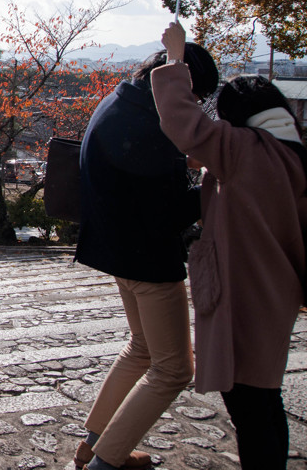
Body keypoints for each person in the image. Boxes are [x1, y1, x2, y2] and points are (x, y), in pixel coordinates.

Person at [153, 22, 306, 470]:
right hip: (278, 291)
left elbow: (181, 119)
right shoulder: (293, 155)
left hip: (240, 288)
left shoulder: (243, 149)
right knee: (263, 394)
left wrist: (175, 58)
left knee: (250, 405)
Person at [73, 38, 219, 470]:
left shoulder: (120, 100)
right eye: (194, 95)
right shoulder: (150, 127)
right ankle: (106, 460)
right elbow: (171, 211)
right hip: (147, 259)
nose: (193, 104)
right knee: (174, 369)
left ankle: (93, 447)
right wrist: (211, 178)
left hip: (116, 249)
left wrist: (180, 162)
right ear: (179, 84)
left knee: (141, 348)